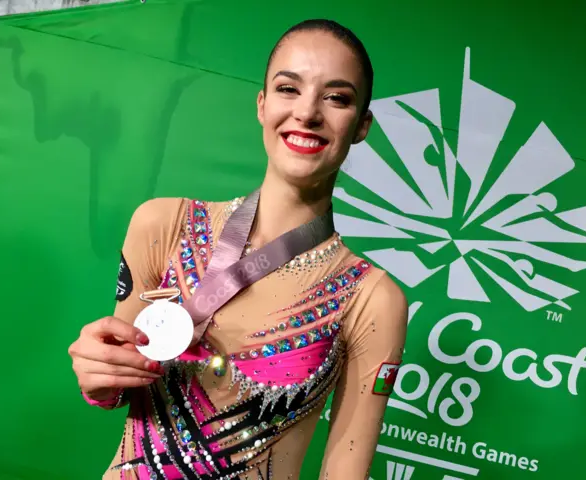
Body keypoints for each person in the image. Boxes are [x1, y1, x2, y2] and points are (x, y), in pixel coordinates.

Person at [68, 18, 408, 480]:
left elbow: (345, 470)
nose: (307, 113)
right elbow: (117, 385)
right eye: (289, 89)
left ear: (361, 125)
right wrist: (98, 377)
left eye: (336, 97)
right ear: (262, 104)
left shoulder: (371, 297)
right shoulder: (164, 225)